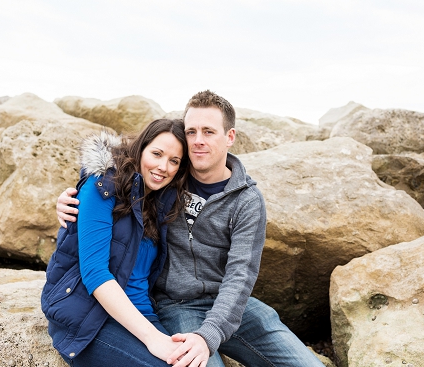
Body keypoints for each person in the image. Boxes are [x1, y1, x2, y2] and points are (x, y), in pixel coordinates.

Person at [57, 90, 324, 366]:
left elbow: (240, 276)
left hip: (230, 305)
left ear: (229, 137)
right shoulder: (169, 180)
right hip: (178, 305)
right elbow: (117, 188)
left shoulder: (246, 200)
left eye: (208, 132)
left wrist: (209, 335)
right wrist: (72, 200)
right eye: (192, 131)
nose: (198, 141)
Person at [42, 119, 210, 366]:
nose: (163, 166)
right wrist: (153, 338)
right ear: (140, 148)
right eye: (156, 153)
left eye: (174, 161)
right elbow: (95, 272)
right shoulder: (102, 186)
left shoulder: (163, 199)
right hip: (91, 317)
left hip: (143, 314)